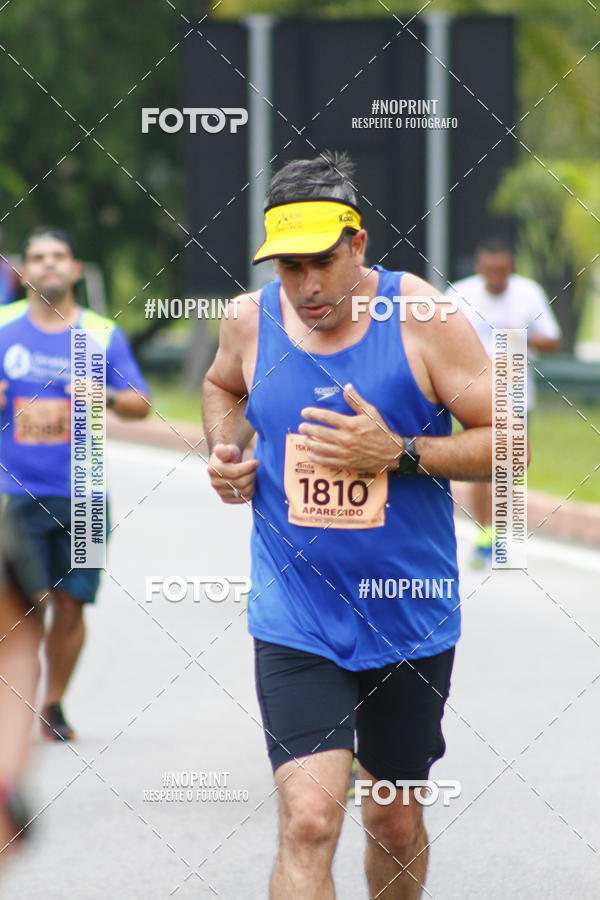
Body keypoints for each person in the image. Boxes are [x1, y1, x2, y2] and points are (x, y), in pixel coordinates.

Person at [203, 151, 503, 899]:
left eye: (322, 263)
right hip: (296, 615)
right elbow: (220, 386)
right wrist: (226, 449)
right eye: (289, 267)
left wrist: (400, 452)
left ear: (358, 245)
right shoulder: (248, 320)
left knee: (392, 820)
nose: (307, 286)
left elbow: (511, 442)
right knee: (309, 820)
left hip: (408, 615)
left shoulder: (423, 318)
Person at [0, 227, 150, 742]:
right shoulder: (2, 327)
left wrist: (103, 395)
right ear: (24, 271)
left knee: (70, 604)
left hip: (85, 492)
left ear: (75, 268)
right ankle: (16, 701)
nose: (49, 264)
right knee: (21, 607)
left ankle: (53, 704)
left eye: (58, 256)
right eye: (38, 257)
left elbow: (140, 403)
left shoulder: (100, 333)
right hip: (14, 491)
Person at [446, 237, 560, 567]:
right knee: (482, 465)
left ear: (511, 268)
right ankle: (484, 534)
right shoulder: (459, 294)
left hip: (517, 394)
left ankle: (498, 534)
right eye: (490, 270)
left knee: (508, 466)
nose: (496, 277)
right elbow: (433, 337)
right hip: (474, 394)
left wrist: (523, 336)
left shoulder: (529, 293)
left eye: (503, 271)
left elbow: (552, 341)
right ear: (479, 267)